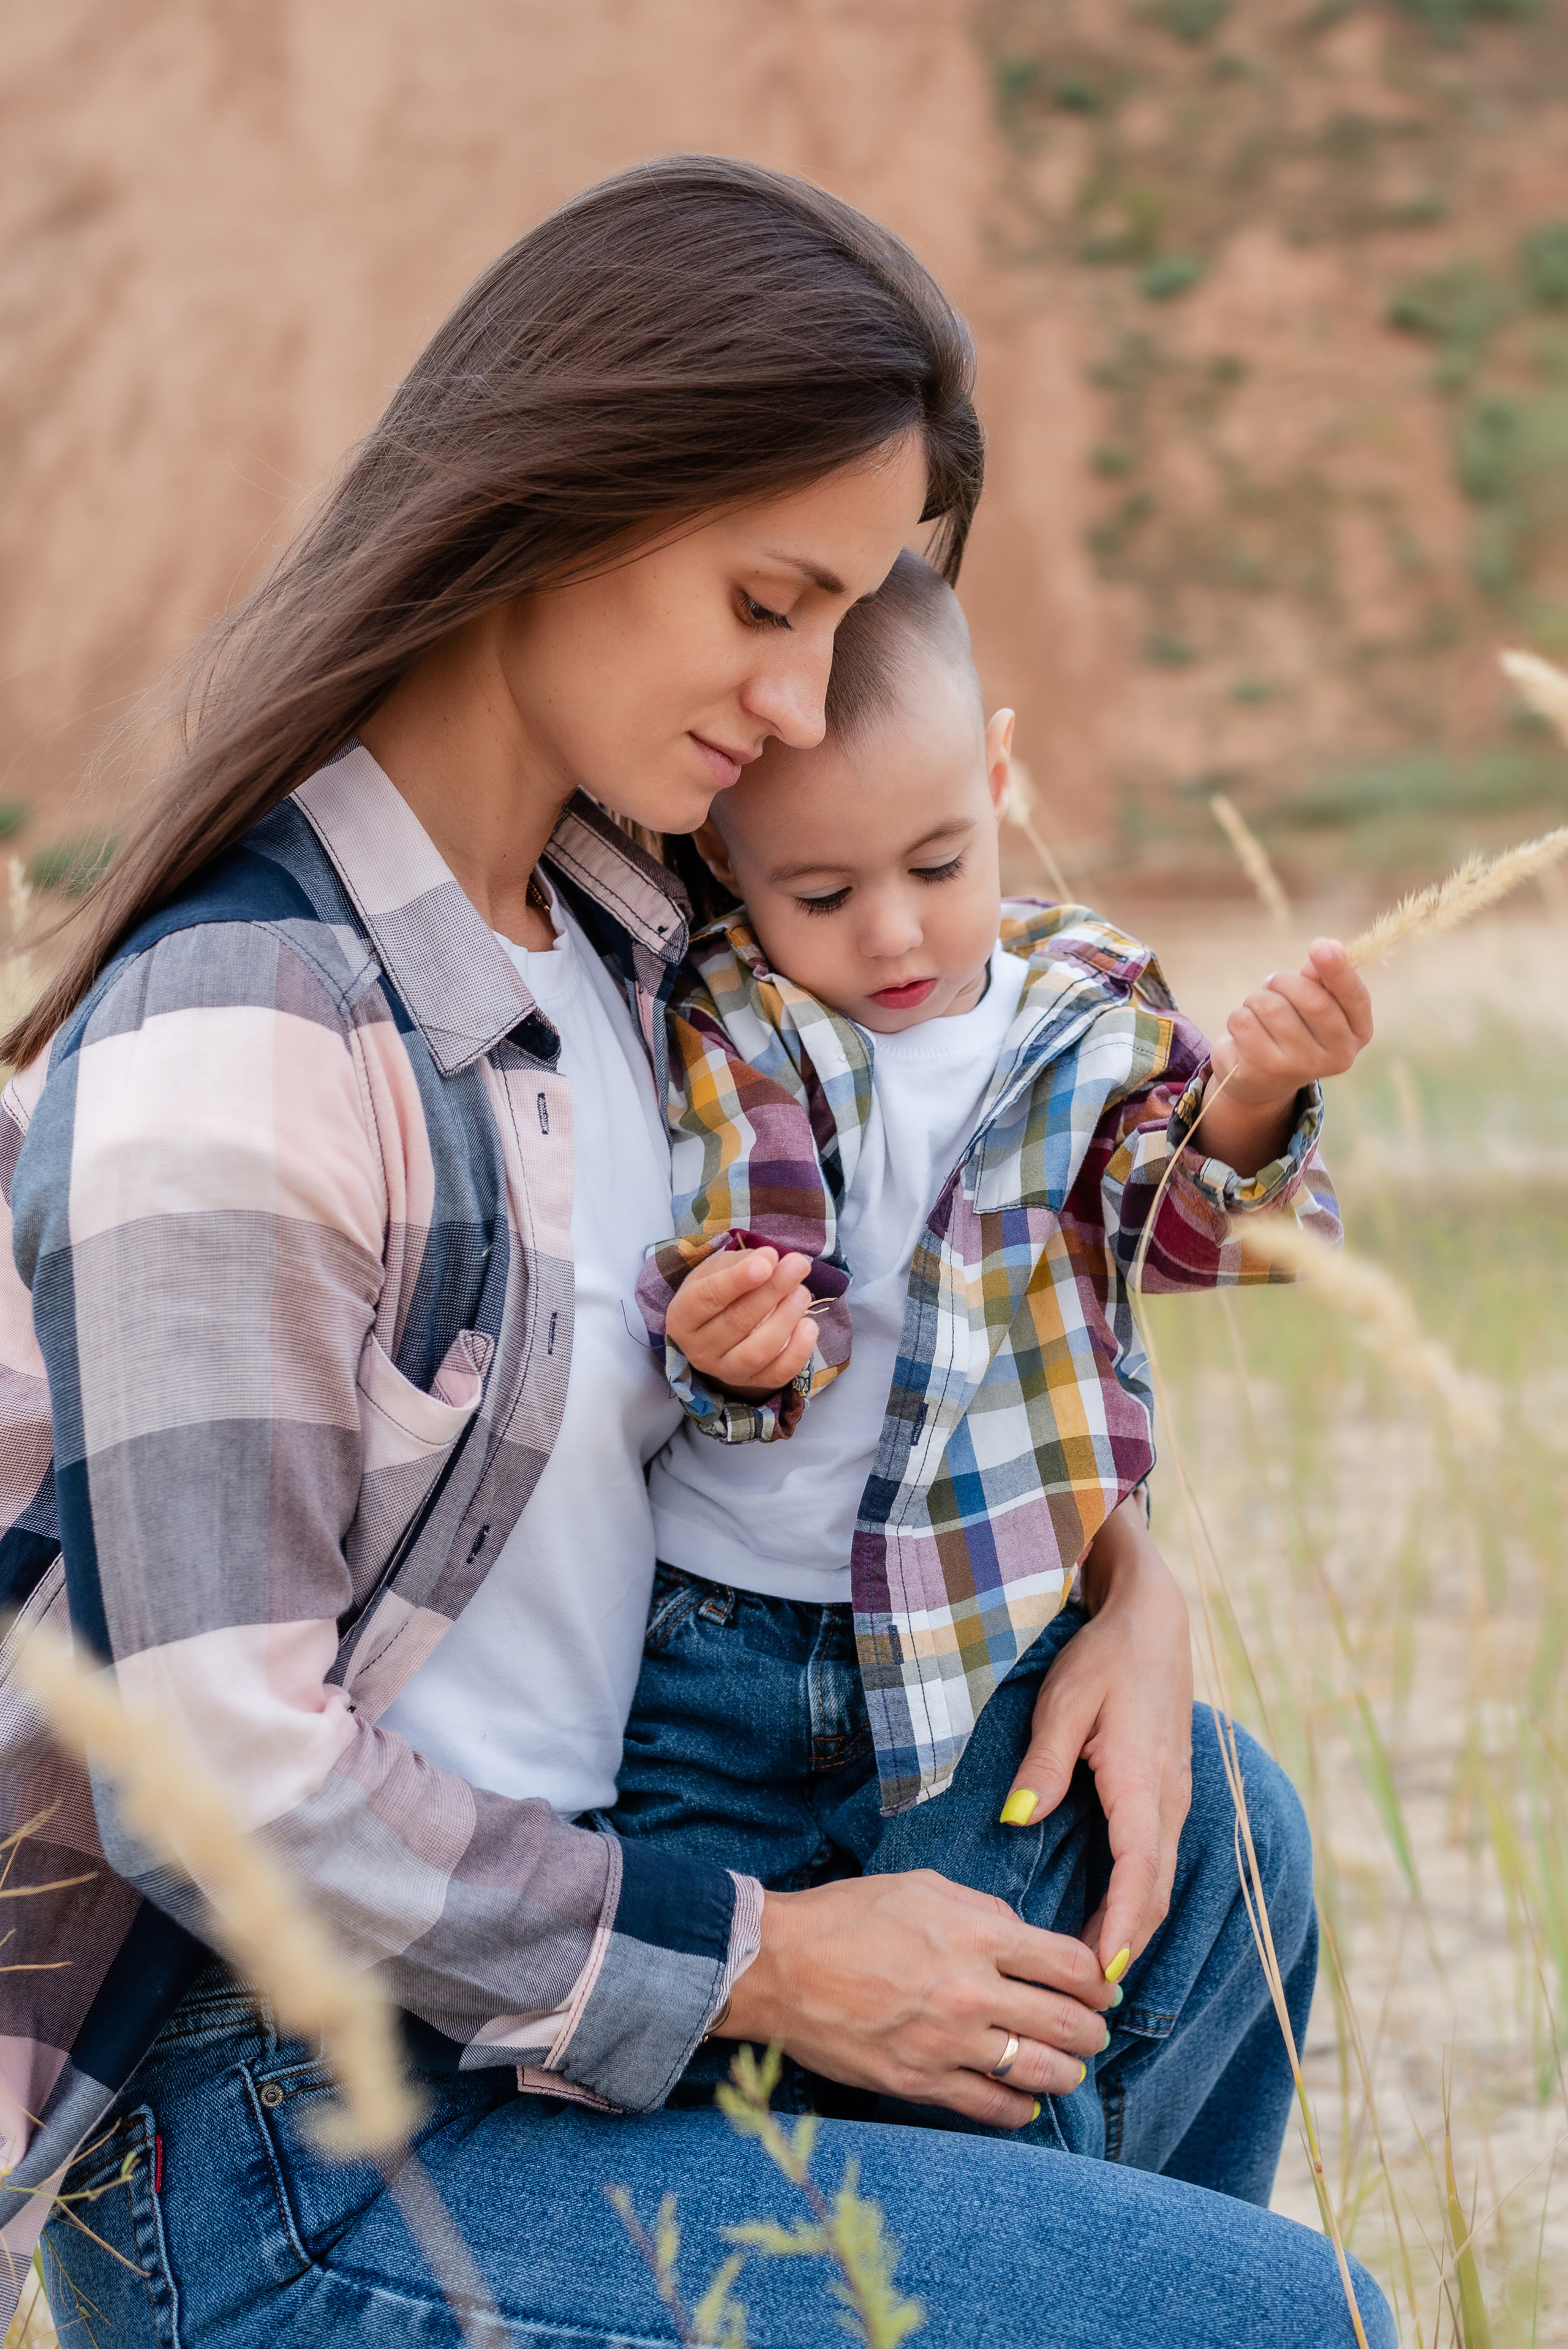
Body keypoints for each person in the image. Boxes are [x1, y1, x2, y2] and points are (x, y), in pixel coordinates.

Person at [0, 159, 1392, 2347]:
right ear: (566, 492)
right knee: (1277, 2321)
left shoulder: (663, 953)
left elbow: (946, 1305)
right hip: (310, 2129)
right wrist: (766, 1961)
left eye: (846, 625)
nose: (808, 696)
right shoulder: (246, 1030)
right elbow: (213, 1775)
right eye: (769, 602)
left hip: (595, 1946)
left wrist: (1129, 1575)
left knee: (1209, 1850)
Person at [617, 547, 1372, 2148]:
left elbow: (1183, 1225)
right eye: (819, 893)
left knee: (1009, 2030)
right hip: (707, 1659)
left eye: (939, 861)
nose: (890, 929)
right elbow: (735, 1252)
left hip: (984, 1645)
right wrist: (729, 1344)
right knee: (702, 2079)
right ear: (728, 856)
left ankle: (1127, 2272)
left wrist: (1252, 1096)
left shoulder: (1082, 1010)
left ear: (1000, 776)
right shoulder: (728, 1017)